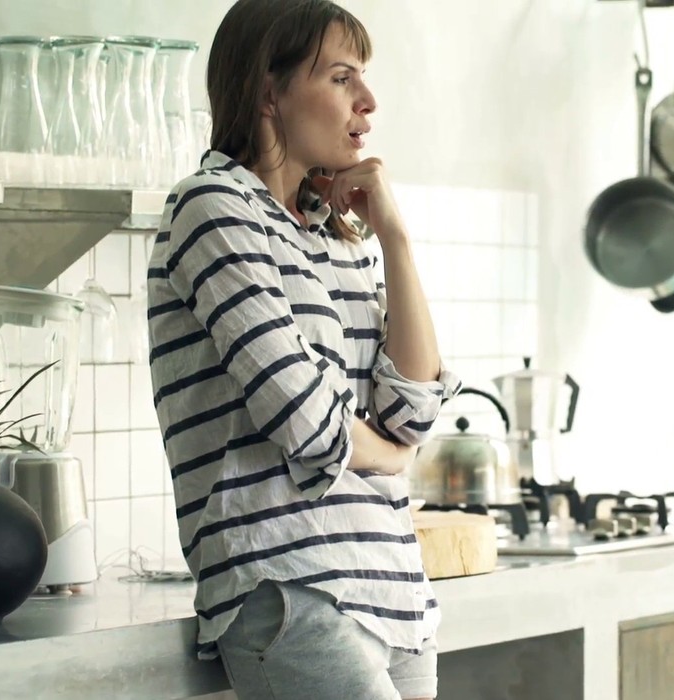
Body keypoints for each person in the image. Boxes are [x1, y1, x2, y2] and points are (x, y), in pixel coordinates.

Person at [145, 1, 459, 698]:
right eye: (342, 78)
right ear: (268, 92)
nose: (367, 101)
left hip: (393, 588)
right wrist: (388, 457)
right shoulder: (213, 207)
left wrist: (394, 239)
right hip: (288, 584)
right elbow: (307, 422)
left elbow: (411, 411)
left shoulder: (335, 233)